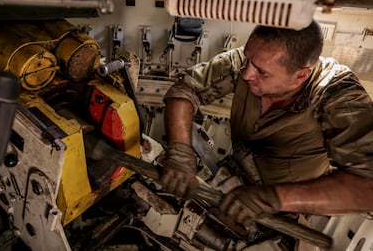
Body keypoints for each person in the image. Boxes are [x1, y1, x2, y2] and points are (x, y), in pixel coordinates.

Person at [159, 20, 373, 229]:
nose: (246, 73)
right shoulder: (253, 60)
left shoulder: (338, 94)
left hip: (283, 220)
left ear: (300, 76)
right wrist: (179, 151)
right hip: (230, 183)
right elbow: (186, 89)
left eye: (262, 72)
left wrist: (272, 198)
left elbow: (367, 186)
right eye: (248, 59)